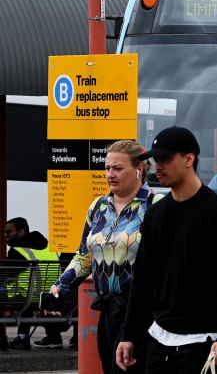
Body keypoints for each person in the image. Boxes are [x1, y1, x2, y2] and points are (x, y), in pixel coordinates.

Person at [115, 126, 217, 372]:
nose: (158, 165)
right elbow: (141, 279)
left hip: (203, 342)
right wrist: (128, 333)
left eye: (165, 158)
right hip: (157, 338)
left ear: (189, 159)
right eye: (156, 159)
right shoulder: (156, 212)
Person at [47, 140, 161, 373]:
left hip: (142, 311)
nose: (110, 174)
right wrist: (60, 286)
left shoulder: (156, 205)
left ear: (139, 168)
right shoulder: (98, 206)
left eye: (118, 168)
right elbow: (84, 256)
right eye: (107, 168)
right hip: (108, 309)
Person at [0, 217, 61, 351]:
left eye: (8, 232)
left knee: (8, 294)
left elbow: (5, 276)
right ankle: (53, 337)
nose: (5, 236)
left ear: (21, 231)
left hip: (25, 298)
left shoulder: (18, 251)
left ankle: (12, 338)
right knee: (30, 293)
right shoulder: (50, 248)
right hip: (49, 297)